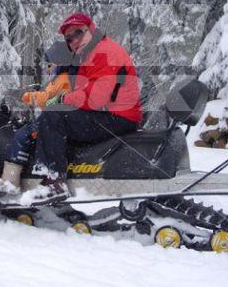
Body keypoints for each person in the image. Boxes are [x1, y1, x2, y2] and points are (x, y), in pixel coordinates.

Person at [23, 12, 142, 205]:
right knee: (59, 116)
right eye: (68, 38)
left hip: (116, 116)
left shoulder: (104, 52)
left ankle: (54, 182)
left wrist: (64, 98)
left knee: (53, 116)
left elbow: (95, 97)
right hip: (112, 113)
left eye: (78, 33)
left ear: (91, 29)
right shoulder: (93, 53)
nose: (73, 40)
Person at [0, 41, 74, 195]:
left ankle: (10, 181)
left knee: (21, 136)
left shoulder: (64, 79)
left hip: (56, 122)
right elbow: (47, 93)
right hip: (54, 120)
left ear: (60, 62)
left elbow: (45, 99)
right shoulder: (60, 79)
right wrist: (34, 89)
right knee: (21, 128)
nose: (47, 69)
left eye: (49, 65)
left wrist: (24, 96)